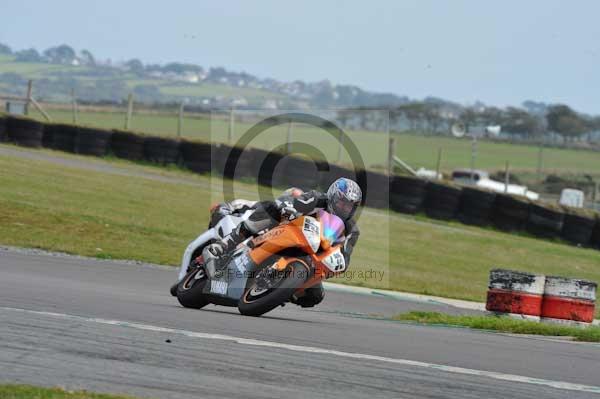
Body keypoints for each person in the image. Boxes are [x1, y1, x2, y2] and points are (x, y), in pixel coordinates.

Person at [204, 178, 362, 308]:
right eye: (342, 202)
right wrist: (289, 208)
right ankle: (226, 244)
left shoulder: (352, 230)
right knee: (271, 208)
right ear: (333, 197)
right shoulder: (317, 198)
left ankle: (280, 290)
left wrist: (339, 262)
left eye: (349, 206)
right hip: (288, 233)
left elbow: (345, 256)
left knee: (315, 296)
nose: (345, 208)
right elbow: (297, 203)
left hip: (312, 258)